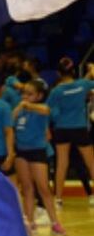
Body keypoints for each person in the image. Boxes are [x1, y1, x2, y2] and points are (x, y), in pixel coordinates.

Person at [13, 79, 66, 236]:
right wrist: (18, 107)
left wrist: (28, 105)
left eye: (30, 94)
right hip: (21, 153)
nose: (25, 97)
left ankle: (55, 223)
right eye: (24, 93)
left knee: (43, 189)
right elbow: (10, 120)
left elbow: (46, 110)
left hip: (37, 152)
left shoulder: (41, 109)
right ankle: (29, 224)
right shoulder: (19, 109)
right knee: (27, 189)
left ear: (39, 96)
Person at [47, 56, 94, 205]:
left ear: (58, 73)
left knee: (62, 164)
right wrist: (92, 70)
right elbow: (86, 83)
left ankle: (58, 198)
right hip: (79, 128)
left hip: (62, 129)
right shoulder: (83, 85)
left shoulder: (56, 91)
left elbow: (47, 110)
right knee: (91, 163)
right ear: (73, 71)